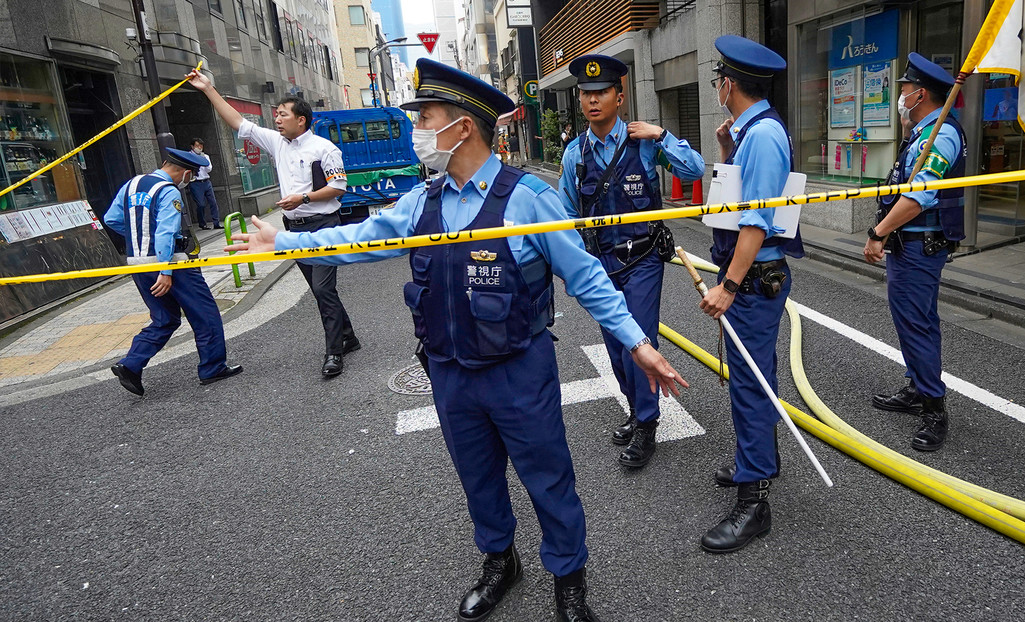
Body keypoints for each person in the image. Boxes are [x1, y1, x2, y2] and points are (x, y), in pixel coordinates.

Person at [226, 58, 688, 622]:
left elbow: (587, 278)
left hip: (520, 370)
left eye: (427, 117)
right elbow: (361, 239)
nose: (418, 129)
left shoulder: (529, 202)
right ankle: (500, 562)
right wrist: (280, 244)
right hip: (448, 371)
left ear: (463, 126)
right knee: (478, 477)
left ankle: (568, 578)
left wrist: (639, 344)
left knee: (549, 479)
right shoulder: (422, 202)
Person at [558, 54, 704, 469]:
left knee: (639, 339)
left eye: (601, 92)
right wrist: (575, 268)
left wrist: (662, 135)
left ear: (619, 97)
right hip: (600, 263)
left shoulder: (643, 142)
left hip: (643, 259)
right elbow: (568, 216)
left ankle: (647, 423)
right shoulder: (575, 155)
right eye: (586, 94)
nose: (592, 100)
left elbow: (693, 171)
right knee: (616, 345)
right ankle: (635, 407)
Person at [697, 35, 803, 554]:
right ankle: (755, 462)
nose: (718, 86)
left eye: (719, 79)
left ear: (730, 83)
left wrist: (729, 286)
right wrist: (723, 150)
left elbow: (756, 223)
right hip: (750, 278)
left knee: (751, 384)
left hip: (754, 281)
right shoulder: (746, 134)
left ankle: (753, 502)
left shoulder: (762, 136)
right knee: (752, 377)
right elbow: (729, 203)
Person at [187, 70, 360, 377]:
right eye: (276, 115)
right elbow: (238, 123)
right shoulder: (277, 143)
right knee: (321, 290)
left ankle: (334, 352)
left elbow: (339, 187)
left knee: (322, 288)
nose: (277, 120)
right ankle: (348, 336)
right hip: (294, 229)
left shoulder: (324, 148)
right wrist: (208, 89)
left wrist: (302, 199)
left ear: (301, 119)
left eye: (282, 115)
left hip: (324, 225)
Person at [865, 53, 965, 453]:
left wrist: (878, 233)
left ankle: (934, 407)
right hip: (913, 246)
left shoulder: (939, 134)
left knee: (917, 323)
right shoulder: (923, 130)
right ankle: (917, 386)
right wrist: (908, 130)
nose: (900, 94)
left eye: (904, 88)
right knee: (914, 321)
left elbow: (920, 195)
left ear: (920, 93)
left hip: (920, 246)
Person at [104, 148, 243, 396]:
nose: (186, 182)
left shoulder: (131, 184)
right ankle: (212, 368)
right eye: (189, 177)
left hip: (138, 264)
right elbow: (166, 232)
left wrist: (140, 237)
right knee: (205, 313)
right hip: (173, 265)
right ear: (187, 173)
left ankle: (131, 364)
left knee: (164, 318)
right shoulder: (168, 191)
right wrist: (166, 270)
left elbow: (111, 219)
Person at [188, 138, 221, 229]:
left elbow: (209, 169)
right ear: (192, 146)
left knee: (213, 202)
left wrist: (203, 161)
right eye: (197, 146)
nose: (199, 147)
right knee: (201, 204)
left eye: (201, 146)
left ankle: (216, 222)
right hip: (196, 182)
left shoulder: (205, 156)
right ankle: (202, 223)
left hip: (206, 181)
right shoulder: (189, 156)